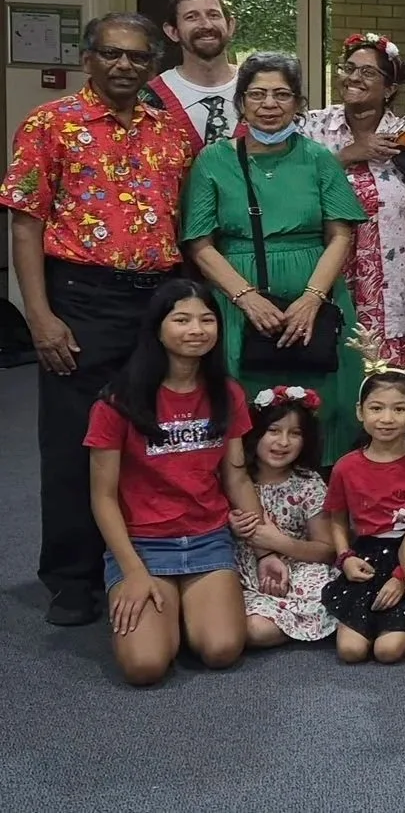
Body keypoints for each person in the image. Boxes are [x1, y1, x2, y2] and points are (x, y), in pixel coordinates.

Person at [1, 11, 194, 626]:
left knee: (152, 436)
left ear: (153, 65)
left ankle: (144, 558)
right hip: (80, 298)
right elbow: (25, 225)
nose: (124, 65)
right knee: (74, 440)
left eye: (138, 56)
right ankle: (71, 577)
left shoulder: (172, 132)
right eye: (112, 53)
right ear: (88, 58)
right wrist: (39, 316)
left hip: (157, 300)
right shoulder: (50, 124)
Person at [181, 53, 369, 463]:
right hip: (240, 304)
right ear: (241, 102)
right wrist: (246, 298)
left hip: (317, 300)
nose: (269, 104)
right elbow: (199, 243)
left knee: (326, 402)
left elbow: (341, 234)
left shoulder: (318, 158)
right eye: (258, 94)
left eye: (282, 94)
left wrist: (312, 298)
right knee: (247, 404)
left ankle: (320, 486)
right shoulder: (214, 160)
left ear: (298, 103)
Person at [84, 280, 255, 686]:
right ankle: (165, 610)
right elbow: (102, 497)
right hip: (142, 544)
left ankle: (186, 609)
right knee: (145, 667)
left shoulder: (228, 393)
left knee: (222, 649)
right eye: (181, 320)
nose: (196, 330)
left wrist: (261, 541)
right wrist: (133, 571)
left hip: (207, 537)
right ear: (157, 329)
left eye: (207, 320)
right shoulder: (116, 402)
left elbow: (236, 475)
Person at [302, 33, 405, 367]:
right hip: (326, 279)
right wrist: (348, 155)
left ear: (389, 89)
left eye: (368, 72)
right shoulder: (311, 127)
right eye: (349, 68)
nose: (354, 77)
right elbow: (293, 187)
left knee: (390, 383)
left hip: (393, 286)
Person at [322, 369, 405, 666]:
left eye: (399, 409)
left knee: (387, 651)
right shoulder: (346, 467)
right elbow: (337, 518)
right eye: (376, 408)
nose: (387, 419)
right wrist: (345, 557)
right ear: (360, 412)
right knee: (350, 651)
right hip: (367, 556)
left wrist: (404, 576)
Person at [232, 385, 336, 648]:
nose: (283, 442)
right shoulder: (236, 480)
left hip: (299, 567)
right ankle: (292, 624)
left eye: (295, 433)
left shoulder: (308, 483)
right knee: (239, 626)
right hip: (245, 569)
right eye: (273, 431)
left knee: (257, 630)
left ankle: (294, 622)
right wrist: (231, 526)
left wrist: (278, 542)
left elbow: (327, 550)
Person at [148, 0, 240, 151]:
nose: (206, 25)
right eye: (191, 17)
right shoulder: (149, 99)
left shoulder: (260, 90)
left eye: (214, 15)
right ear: (173, 32)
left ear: (230, 26)